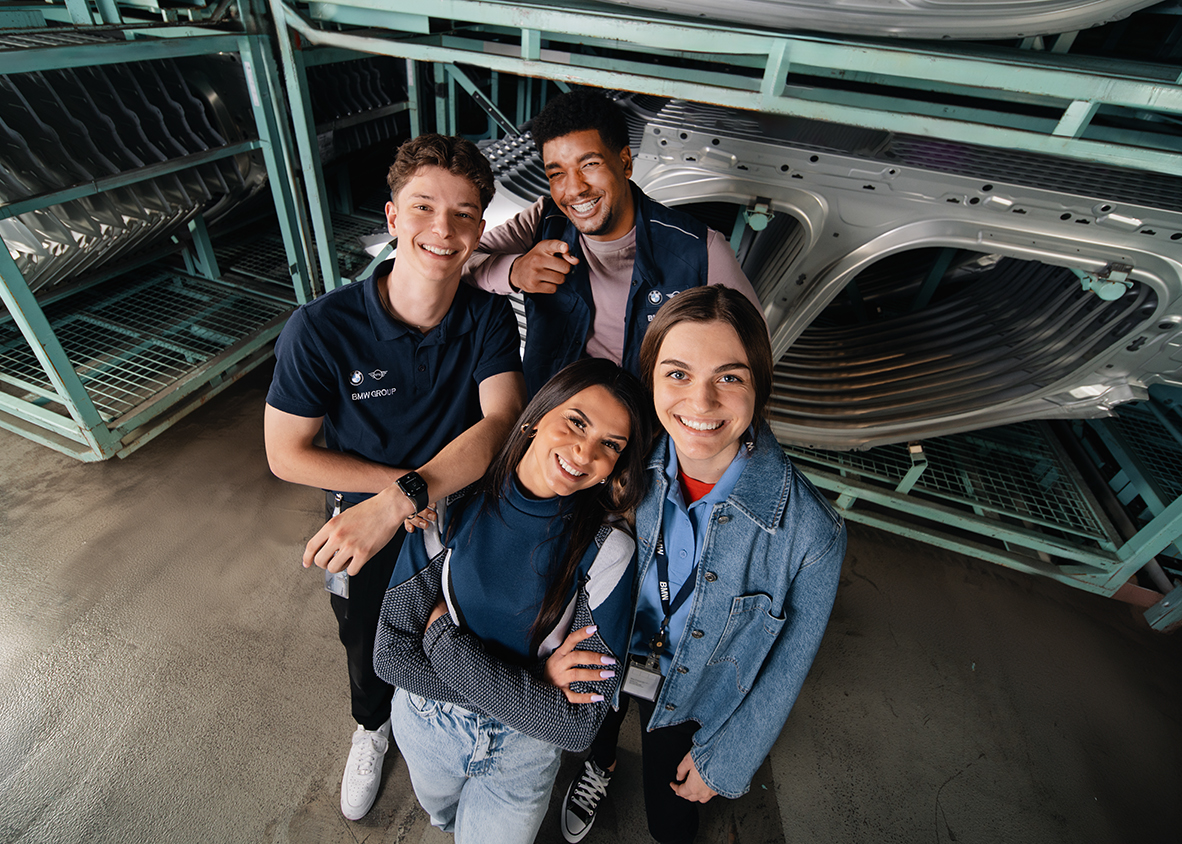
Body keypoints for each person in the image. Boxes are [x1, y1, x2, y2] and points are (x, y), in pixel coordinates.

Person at [263, 134, 526, 821]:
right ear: (392, 217)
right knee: (367, 639)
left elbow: (499, 426)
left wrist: (414, 494)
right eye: (424, 208)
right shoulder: (321, 329)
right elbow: (287, 453)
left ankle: (443, 726)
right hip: (371, 519)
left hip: (460, 515)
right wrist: (391, 498)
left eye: (465, 214)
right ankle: (372, 726)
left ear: (481, 228)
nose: (444, 229)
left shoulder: (489, 317)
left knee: (463, 632)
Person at [555, 285, 847, 844]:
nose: (701, 403)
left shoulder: (811, 535)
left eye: (730, 377)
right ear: (651, 377)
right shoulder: (619, 460)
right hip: (606, 653)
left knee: (672, 816)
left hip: (696, 694)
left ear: (759, 386)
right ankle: (602, 764)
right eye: (678, 374)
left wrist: (727, 760)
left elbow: (789, 666)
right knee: (599, 728)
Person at [373, 358, 654, 844]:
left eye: (610, 445)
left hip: (522, 755)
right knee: (442, 818)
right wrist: (535, 688)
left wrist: (441, 642)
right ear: (536, 417)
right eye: (576, 422)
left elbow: (577, 726)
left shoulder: (609, 552)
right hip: (426, 728)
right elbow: (390, 656)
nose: (585, 453)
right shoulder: (451, 501)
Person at [465, 88, 762, 395]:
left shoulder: (702, 250)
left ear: (624, 162)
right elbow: (459, 261)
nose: (575, 188)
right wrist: (514, 271)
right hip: (553, 413)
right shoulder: (544, 220)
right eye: (557, 173)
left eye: (589, 165)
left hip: (653, 426)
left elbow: (753, 354)